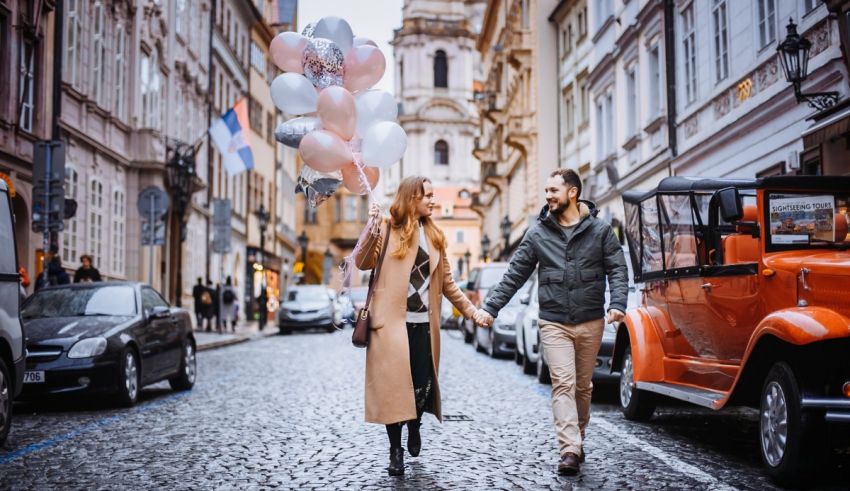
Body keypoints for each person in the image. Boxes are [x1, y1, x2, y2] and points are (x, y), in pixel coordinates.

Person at [476, 168, 628, 476]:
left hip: (590, 320)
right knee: (563, 383)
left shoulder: (599, 231)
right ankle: (569, 448)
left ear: (572, 192)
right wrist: (491, 308)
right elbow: (515, 274)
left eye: (553, 190)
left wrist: (617, 304)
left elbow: (618, 269)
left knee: (583, 387)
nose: (548, 196)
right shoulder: (538, 233)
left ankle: (578, 438)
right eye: (546, 190)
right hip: (553, 321)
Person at [353, 176, 486, 477]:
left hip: (425, 325)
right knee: (392, 391)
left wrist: (472, 312)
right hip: (390, 328)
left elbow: (449, 285)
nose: (433, 200)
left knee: (420, 386)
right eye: (427, 195)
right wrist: (370, 228)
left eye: (433, 195)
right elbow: (362, 261)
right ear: (412, 197)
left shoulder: (435, 236)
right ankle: (395, 451)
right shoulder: (387, 229)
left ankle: (415, 424)